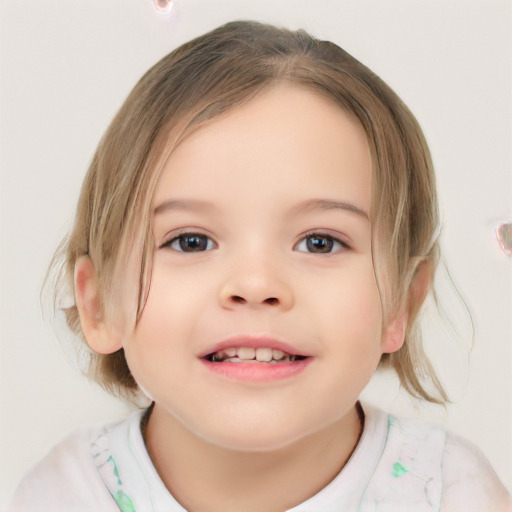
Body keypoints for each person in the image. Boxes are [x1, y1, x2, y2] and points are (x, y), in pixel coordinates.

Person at [8, 20, 511, 512]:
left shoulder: (451, 494)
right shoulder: (63, 496)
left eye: (319, 242)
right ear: (98, 304)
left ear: (402, 300)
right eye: (190, 241)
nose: (255, 285)